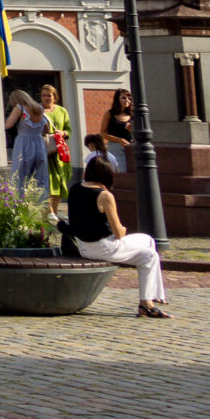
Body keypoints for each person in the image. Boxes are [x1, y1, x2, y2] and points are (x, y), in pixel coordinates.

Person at [69, 152, 171, 318]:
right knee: (150, 249)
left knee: (149, 248)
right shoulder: (105, 195)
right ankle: (149, 301)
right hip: (104, 247)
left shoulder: (75, 188)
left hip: (83, 246)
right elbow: (118, 232)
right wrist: (123, 228)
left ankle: (152, 300)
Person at [5, 90, 48, 194]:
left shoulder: (19, 108)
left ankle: (20, 199)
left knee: (19, 174)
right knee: (40, 176)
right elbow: (46, 129)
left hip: (24, 142)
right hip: (39, 143)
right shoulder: (39, 108)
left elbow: (8, 125)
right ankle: (40, 200)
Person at [38, 84, 73, 201]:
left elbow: (69, 130)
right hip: (43, 150)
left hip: (59, 151)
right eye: (44, 95)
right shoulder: (36, 110)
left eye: (49, 95)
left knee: (58, 181)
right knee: (46, 182)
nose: (46, 98)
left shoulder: (62, 111)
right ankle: (49, 210)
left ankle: (55, 210)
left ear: (55, 97)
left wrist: (63, 133)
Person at [103, 89, 135, 172]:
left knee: (131, 172)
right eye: (123, 98)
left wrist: (131, 130)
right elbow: (103, 133)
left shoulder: (133, 115)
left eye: (129, 98)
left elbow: (139, 134)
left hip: (130, 147)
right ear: (117, 99)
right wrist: (118, 140)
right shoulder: (109, 114)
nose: (127, 100)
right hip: (115, 147)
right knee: (120, 171)